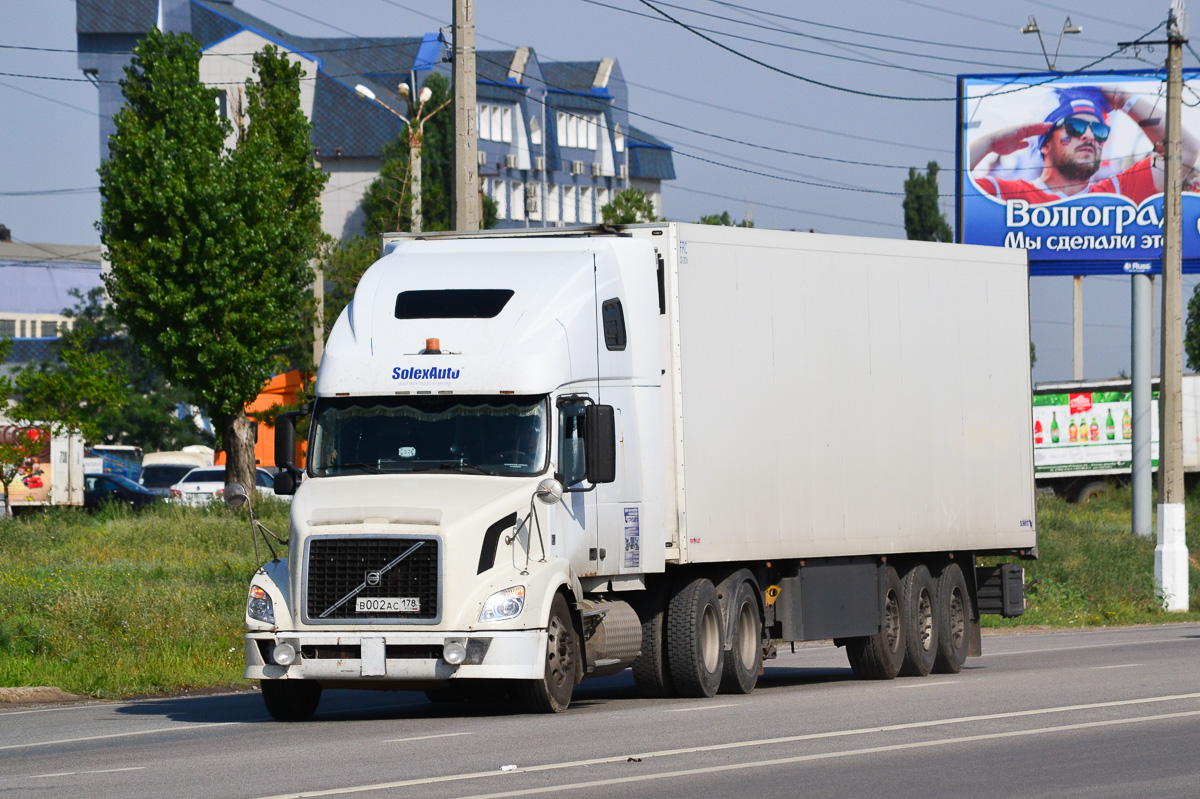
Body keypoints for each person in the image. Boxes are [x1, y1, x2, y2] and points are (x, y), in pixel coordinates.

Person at [969, 85, 1198, 205]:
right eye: (1076, 127)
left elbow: (1186, 150)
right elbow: (956, 188)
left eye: (1099, 130)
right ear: (1045, 144)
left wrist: (1123, 99)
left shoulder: (1117, 192)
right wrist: (988, 143)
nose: (1089, 135)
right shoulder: (1006, 193)